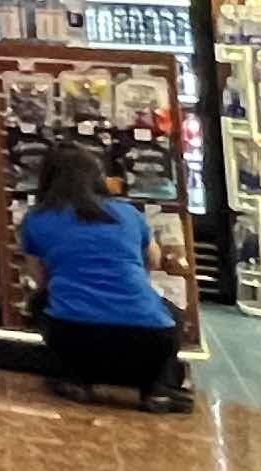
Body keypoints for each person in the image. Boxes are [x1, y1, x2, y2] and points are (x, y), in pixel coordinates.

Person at [16, 142, 191, 413]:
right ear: (98, 177)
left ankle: (76, 378)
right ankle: (157, 388)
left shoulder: (36, 220)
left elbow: (41, 280)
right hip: (151, 341)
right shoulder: (129, 214)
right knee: (172, 314)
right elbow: (153, 261)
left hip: (73, 335)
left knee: (39, 302)